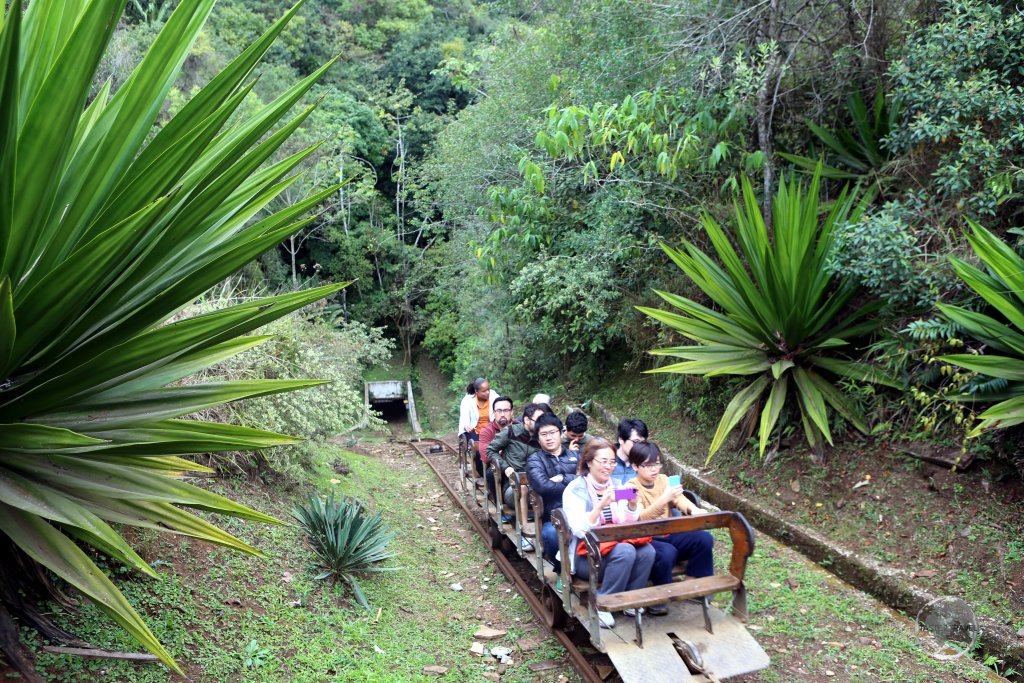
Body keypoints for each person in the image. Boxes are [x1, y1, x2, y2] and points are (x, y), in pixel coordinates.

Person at [562, 438, 655, 629]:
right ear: (589, 462)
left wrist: (632, 505)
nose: (609, 467)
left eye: (612, 462)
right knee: (626, 551)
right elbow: (579, 529)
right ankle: (602, 604)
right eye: (603, 461)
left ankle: (630, 598)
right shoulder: (576, 489)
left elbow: (626, 523)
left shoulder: (618, 487)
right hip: (586, 557)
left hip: (613, 547)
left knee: (647, 552)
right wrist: (600, 507)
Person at [627, 441, 714, 616]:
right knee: (667, 552)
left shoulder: (665, 479)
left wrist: (693, 510)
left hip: (669, 533)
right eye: (648, 465)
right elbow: (639, 517)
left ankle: (694, 584)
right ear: (635, 466)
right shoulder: (629, 488)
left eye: (657, 463)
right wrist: (664, 499)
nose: (654, 469)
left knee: (704, 539)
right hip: (647, 539)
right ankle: (659, 598)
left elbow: (679, 499)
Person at [488, 402, 550, 551]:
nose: (542, 424)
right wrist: (506, 467)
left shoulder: (543, 438)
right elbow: (491, 451)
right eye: (538, 420)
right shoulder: (511, 432)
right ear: (527, 420)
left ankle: (548, 539)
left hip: (537, 487)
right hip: (513, 488)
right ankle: (524, 534)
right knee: (523, 488)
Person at [525, 412, 579, 574]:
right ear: (538, 438)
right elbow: (543, 486)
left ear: (561, 432)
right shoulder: (535, 460)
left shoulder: (576, 456)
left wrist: (562, 477)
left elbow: (586, 480)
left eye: (552, 432)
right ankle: (562, 570)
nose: (549, 438)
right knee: (551, 534)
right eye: (544, 434)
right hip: (553, 515)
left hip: (579, 511)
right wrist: (573, 481)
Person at [458, 378, 498, 475]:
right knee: (480, 448)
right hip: (475, 430)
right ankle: (483, 472)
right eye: (484, 391)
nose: (487, 392)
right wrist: (466, 425)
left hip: (491, 429)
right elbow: (464, 417)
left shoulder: (494, 396)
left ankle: (497, 469)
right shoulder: (468, 400)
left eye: (488, 389)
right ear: (476, 392)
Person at [612, 418, 647, 486]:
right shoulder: (608, 462)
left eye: (643, 443)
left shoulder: (643, 462)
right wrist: (632, 493)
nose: (640, 447)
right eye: (636, 442)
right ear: (621, 440)